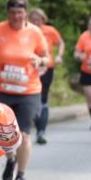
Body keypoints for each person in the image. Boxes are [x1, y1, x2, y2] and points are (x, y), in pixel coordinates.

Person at [0, 0, 50, 180]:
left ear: (26, 13)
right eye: (13, 13)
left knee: (23, 134)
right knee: (2, 133)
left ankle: (21, 176)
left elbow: (46, 58)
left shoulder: (35, 33)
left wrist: (40, 61)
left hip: (28, 91)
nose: (16, 17)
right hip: (2, 89)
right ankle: (11, 158)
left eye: (20, 13)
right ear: (7, 13)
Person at [28, 8, 63, 145]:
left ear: (43, 19)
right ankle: (38, 128)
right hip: (30, 69)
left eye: (39, 19)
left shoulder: (50, 30)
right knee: (33, 98)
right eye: (33, 18)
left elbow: (60, 43)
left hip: (47, 67)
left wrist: (59, 55)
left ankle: (41, 131)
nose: (36, 21)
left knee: (42, 98)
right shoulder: (27, 30)